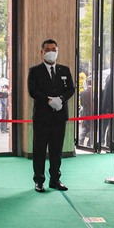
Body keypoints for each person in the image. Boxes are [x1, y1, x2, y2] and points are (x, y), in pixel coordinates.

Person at [28, 39, 75, 192]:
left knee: (56, 150)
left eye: (53, 49)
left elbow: (71, 89)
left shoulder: (64, 70)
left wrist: (60, 99)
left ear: (57, 51)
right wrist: (48, 100)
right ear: (42, 52)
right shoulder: (35, 71)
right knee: (40, 149)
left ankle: (55, 179)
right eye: (47, 49)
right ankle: (39, 180)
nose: (51, 52)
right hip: (42, 116)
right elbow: (32, 91)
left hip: (59, 116)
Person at [78, 77, 94, 147]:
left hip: (85, 112)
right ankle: (89, 142)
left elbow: (81, 103)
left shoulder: (82, 93)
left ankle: (81, 141)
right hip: (93, 112)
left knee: (85, 127)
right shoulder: (94, 92)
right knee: (92, 128)